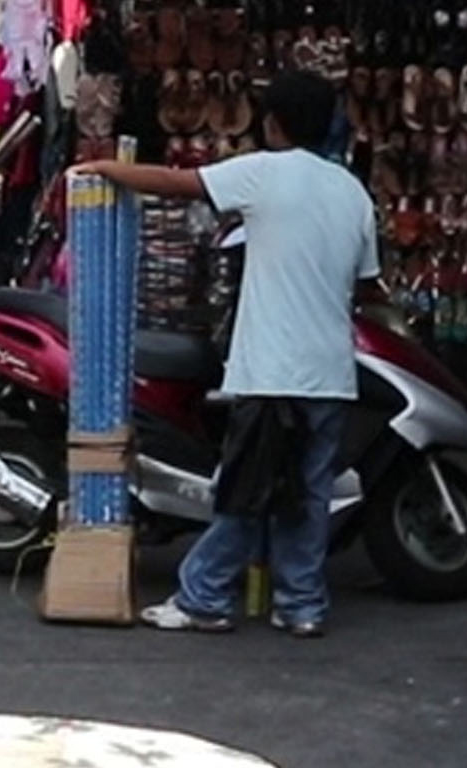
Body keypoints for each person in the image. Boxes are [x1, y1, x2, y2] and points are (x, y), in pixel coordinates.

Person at [77, 72, 381, 638]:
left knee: (245, 490)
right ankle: (301, 605)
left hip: (270, 371)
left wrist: (104, 170)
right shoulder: (352, 192)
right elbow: (366, 284)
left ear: (274, 123)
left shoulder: (264, 172)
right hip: (330, 374)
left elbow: (176, 183)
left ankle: (204, 597)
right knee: (307, 497)